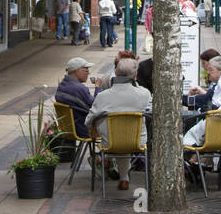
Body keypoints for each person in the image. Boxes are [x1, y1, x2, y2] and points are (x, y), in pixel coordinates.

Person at [85, 58, 153, 190]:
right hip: (137, 142)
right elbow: (151, 113)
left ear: (115, 73)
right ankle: (124, 178)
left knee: (119, 136)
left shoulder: (103, 96)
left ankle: (122, 176)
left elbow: (88, 120)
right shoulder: (144, 94)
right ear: (135, 75)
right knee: (127, 135)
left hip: (109, 142)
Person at [55, 56, 97, 140]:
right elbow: (96, 105)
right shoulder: (79, 88)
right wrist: (98, 87)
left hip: (69, 128)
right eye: (86, 70)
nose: (88, 73)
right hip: (83, 129)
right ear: (77, 71)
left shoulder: (62, 85)